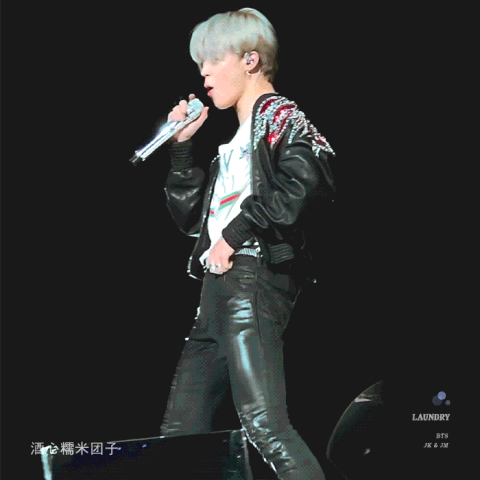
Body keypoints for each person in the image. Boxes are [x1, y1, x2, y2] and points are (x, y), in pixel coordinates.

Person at [160, 8, 335, 480]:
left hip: (252, 280)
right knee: (180, 436)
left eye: (214, 60)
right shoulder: (234, 143)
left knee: (265, 425)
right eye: (200, 63)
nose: (203, 73)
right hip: (214, 295)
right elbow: (192, 223)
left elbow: (307, 184)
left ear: (250, 60)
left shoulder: (280, 115)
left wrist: (235, 234)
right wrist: (181, 150)